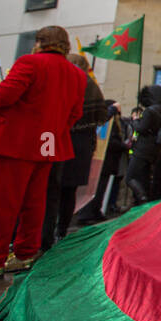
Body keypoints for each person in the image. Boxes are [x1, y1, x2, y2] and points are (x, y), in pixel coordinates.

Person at [0, 25, 85, 280]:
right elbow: (75, 113)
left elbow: (2, 97)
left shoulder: (30, 63)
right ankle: (25, 253)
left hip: (15, 144)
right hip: (48, 146)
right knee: (34, 204)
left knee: (1, 204)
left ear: (40, 42)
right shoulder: (77, 74)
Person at [41, 54, 109, 249]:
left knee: (53, 187)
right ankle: (62, 229)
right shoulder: (91, 86)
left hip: (62, 138)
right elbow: (102, 115)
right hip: (83, 143)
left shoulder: (65, 81)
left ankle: (47, 231)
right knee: (69, 190)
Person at [73, 101, 130, 223]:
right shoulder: (106, 122)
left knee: (101, 189)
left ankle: (94, 211)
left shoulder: (111, 123)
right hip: (103, 161)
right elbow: (111, 142)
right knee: (96, 188)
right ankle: (87, 213)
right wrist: (125, 146)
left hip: (106, 161)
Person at [125, 85, 161, 205]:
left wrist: (134, 120)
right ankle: (144, 200)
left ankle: (142, 197)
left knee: (130, 177)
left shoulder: (150, 111)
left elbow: (141, 128)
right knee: (145, 178)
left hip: (142, 149)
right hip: (156, 149)